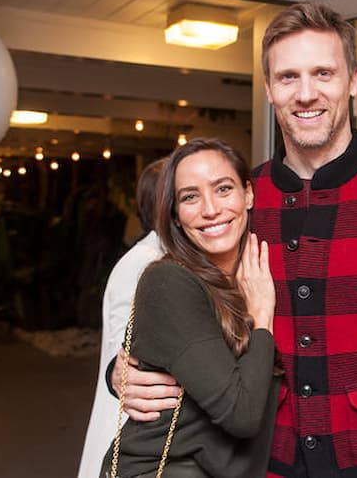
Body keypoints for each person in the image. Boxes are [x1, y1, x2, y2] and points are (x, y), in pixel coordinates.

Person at [110, 2, 357, 478]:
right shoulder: (239, 203)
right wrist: (122, 371)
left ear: (352, 80)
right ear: (270, 89)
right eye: (289, 77)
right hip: (270, 462)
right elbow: (180, 300)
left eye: (323, 73)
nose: (306, 93)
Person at [99, 138, 281, 478]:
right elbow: (241, 414)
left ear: (249, 194)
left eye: (223, 189)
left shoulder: (255, 272)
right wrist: (262, 318)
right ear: (176, 217)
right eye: (190, 197)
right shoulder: (168, 281)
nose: (210, 209)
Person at [78, 158, 174, 478]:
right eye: (187, 195)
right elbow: (125, 357)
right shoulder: (143, 262)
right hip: (131, 432)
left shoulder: (168, 258)